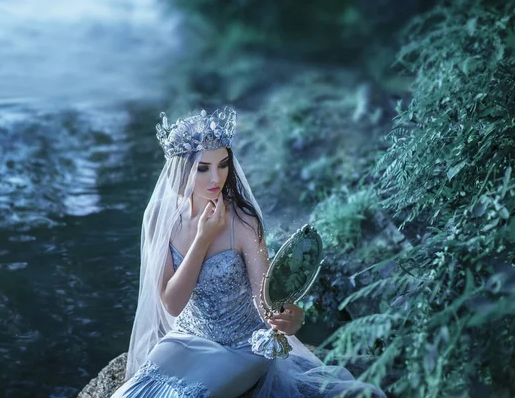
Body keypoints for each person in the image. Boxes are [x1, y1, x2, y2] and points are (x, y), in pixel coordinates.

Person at [112, 107, 387, 398]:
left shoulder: (243, 222)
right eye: (203, 167)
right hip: (186, 336)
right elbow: (173, 304)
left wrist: (290, 319)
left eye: (223, 164)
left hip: (244, 346)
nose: (216, 178)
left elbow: (265, 301)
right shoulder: (163, 220)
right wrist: (203, 238)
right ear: (182, 169)